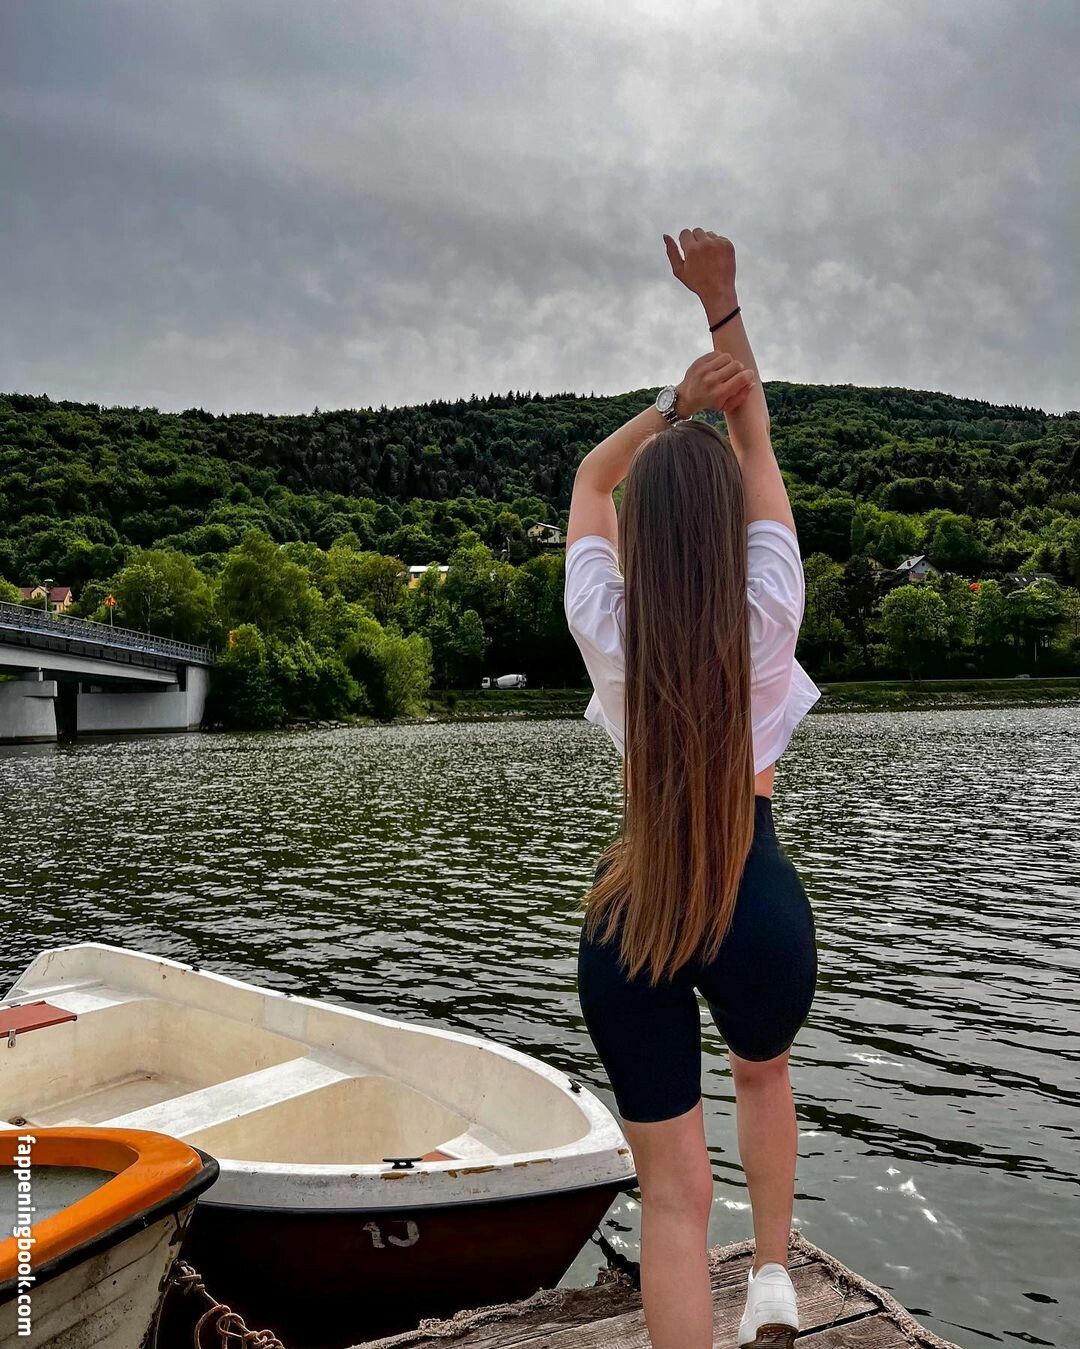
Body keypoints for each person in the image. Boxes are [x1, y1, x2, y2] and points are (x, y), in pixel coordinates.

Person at [563, 228, 820, 1349]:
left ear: (641, 539)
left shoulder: (605, 623)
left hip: (633, 913)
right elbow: (753, 429)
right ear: (728, 527)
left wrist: (670, 407)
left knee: (672, 1196)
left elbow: (591, 478)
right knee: (762, 1078)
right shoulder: (770, 605)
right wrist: (722, 305)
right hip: (754, 900)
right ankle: (772, 1274)